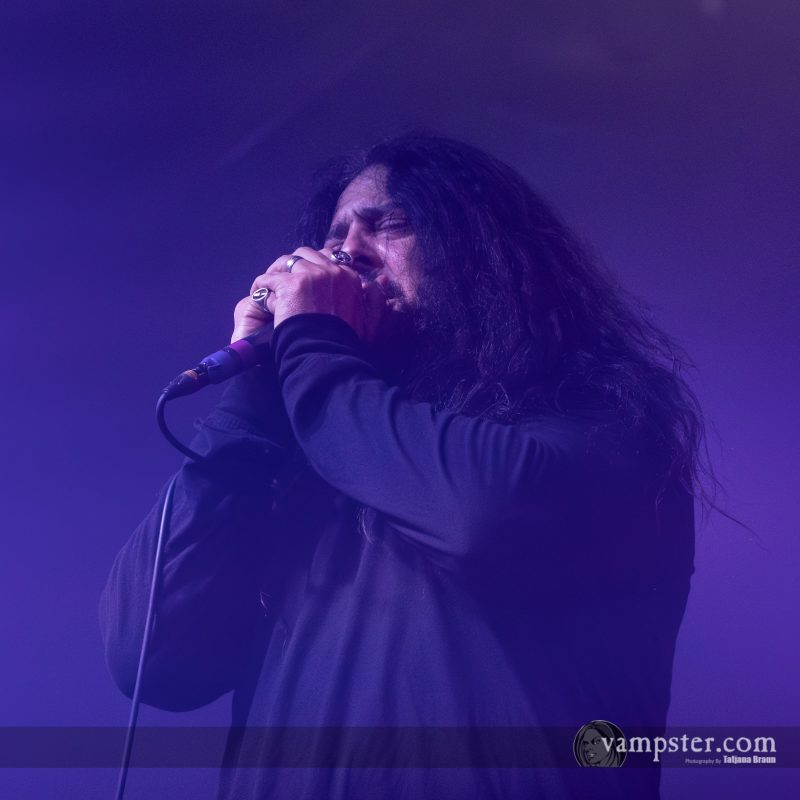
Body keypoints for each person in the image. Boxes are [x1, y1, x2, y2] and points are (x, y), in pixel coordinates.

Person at [99, 133, 698, 798]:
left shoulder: (601, 412)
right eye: (335, 236)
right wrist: (252, 400)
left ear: (484, 255)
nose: (347, 251)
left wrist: (312, 346)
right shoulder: (309, 457)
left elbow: (481, 517)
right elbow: (152, 656)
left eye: (390, 224)